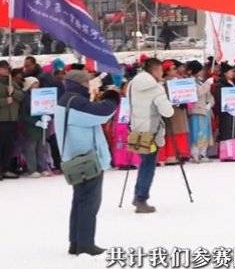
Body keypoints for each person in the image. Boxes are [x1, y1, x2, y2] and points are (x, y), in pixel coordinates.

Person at [55, 69, 120, 255]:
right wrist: (111, 96)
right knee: (89, 203)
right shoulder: (76, 102)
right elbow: (102, 113)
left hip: (75, 157)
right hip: (86, 159)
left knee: (79, 201)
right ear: (82, 84)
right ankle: (85, 244)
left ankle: (76, 242)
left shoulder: (67, 99)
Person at [128, 57, 174, 212]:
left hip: (136, 128)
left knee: (144, 164)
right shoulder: (156, 88)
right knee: (148, 166)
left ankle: (138, 195)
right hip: (151, 132)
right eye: (161, 70)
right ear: (155, 70)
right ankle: (141, 198)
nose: (162, 73)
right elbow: (168, 112)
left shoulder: (133, 84)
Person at [213, 63, 235, 161]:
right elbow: (219, 98)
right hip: (226, 113)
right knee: (227, 132)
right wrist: (227, 108)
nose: (233, 73)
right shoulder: (220, 85)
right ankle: (227, 154)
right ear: (225, 73)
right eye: (231, 71)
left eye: (234, 71)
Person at [186, 60, 214, 163]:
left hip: (205, 109)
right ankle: (195, 153)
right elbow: (197, 92)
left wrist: (210, 103)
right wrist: (207, 84)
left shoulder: (200, 81)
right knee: (197, 131)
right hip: (196, 110)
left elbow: (209, 95)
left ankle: (203, 153)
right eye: (200, 70)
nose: (202, 72)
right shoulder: (189, 81)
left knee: (205, 131)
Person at [0, 60, 23, 180]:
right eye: (3, 68)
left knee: (9, 146)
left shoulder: (12, 83)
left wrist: (13, 92)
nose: (6, 70)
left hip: (12, 119)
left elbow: (21, 96)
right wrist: (5, 101)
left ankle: (6, 168)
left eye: (7, 68)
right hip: (1, 119)